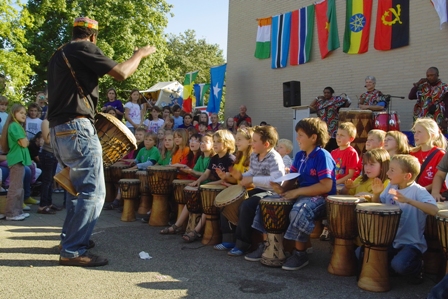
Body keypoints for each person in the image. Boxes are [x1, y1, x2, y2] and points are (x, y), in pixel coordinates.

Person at [47, 16, 156, 267]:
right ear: (93, 36)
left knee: (78, 190)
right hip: (77, 127)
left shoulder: (58, 54)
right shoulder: (83, 47)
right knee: (93, 191)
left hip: (59, 130)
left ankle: (71, 242)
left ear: (73, 31)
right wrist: (139, 54)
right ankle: (73, 250)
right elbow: (121, 73)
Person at [247, 118, 335, 270]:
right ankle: (267, 246)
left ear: (313, 137)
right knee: (267, 202)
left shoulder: (323, 156)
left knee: (299, 210)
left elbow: (326, 186)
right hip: (300, 194)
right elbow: (291, 178)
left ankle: (300, 253)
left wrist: (297, 191)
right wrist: (281, 189)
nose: (297, 138)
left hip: (321, 198)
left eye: (300, 135)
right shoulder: (300, 156)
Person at [371, 155, 438, 283]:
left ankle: (418, 267)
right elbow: (380, 206)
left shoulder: (418, 191)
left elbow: (433, 210)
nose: (387, 173)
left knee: (400, 265)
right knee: (363, 255)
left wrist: (408, 200)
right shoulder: (391, 187)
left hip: (411, 243)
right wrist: (376, 194)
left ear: (407, 176)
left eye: (392, 170)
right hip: (391, 240)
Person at [223, 126, 284, 256]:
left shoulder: (274, 158)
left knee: (247, 205)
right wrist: (240, 176)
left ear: (266, 144)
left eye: (255, 141)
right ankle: (228, 238)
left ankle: (243, 244)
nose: (252, 143)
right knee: (229, 201)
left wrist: (252, 179)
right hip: (258, 189)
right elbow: (252, 172)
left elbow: (276, 180)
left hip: (271, 193)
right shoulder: (255, 156)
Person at [185, 130, 236, 242]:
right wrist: (198, 182)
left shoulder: (230, 159)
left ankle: (196, 231)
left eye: (218, 142)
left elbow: (225, 179)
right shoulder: (215, 158)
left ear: (227, 143)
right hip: (214, 187)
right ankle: (178, 224)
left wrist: (208, 184)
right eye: (214, 141)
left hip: (225, 188)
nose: (215, 144)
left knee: (208, 209)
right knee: (191, 196)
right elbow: (206, 174)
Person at [214, 127, 253, 251]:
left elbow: (252, 182)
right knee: (224, 201)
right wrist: (225, 177)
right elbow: (234, 179)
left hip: (250, 191)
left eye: (240, 139)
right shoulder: (239, 157)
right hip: (239, 189)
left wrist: (235, 185)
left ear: (250, 141)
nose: (237, 142)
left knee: (241, 205)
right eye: (236, 139)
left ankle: (242, 243)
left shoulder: (253, 158)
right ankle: (228, 240)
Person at [160, 133, 203, 234]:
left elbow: (201, 174)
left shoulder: (200, 156)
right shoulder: (190, 154)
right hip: (191, 181)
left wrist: (189, 171)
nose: (192, 143)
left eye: (195, 141)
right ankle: (176, 222)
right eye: (191, 140)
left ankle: (177, 223)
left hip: (196, 183)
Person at [0, 104, 32, 221]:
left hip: (20, 159)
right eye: (21, 113)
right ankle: (11, 213)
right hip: (17, 159)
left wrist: (25, 140)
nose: (24, 115)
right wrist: (26, 140)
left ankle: (18, 211)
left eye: (25, 113)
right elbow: (24, 143)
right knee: (15, 187)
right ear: (14, 114)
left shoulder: (17, 125)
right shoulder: (14, 126)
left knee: (19, 186)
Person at [410, 118, 447, 194]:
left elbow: (441, 178)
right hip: (414, 194)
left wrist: (421, 190)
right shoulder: (412, 153)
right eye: (415, 132)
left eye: (419, 132)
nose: (415, 135)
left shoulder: (440, 154)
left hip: (431, 195)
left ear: (431, 135)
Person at [309, 87, 351, 152]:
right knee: (324, 146)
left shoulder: (336, 100)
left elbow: (347, 102)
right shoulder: (321, 102)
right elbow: (311, 107)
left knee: (333, 146)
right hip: (323, 127)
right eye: (325, 93)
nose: (326, 94)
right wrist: (317, 98)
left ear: (331, 93)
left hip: (333, 127)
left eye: (328, 93)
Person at [409, 67, 448, 133]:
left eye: (432, 75)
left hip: (437, 118)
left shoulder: (444, 87)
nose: (429, 77)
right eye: (428, 76)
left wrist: (446, 119)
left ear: (437, 75)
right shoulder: (423, 87)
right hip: (423, 118)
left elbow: (447, 104)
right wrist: (418, 84)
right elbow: (411, 96)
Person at [38, 119, 62, 214]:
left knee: (50, 180)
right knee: (46, 181)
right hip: (47, 154)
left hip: (54, 154)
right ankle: (42, 205)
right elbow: (47, 140)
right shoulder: (46, 122)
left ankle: (49, 203)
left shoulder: (56, 122)